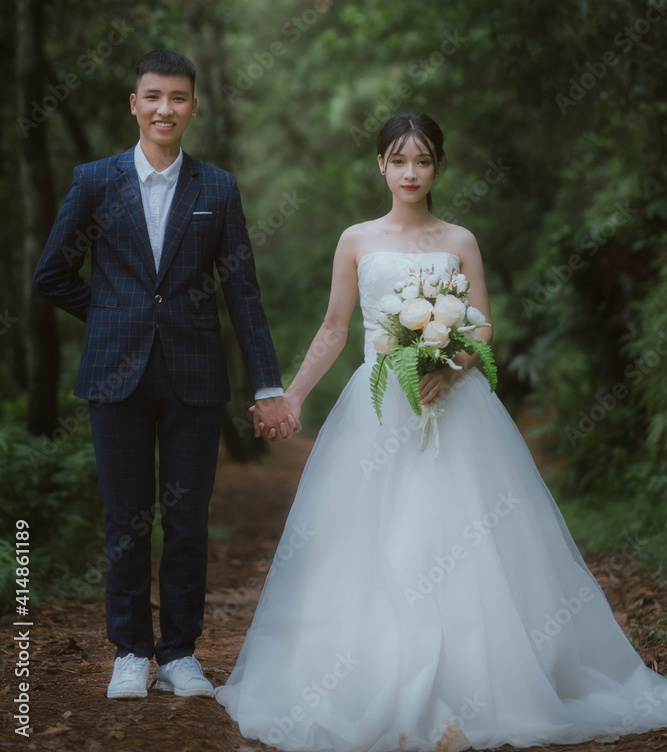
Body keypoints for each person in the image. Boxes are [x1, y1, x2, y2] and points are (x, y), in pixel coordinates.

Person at [215, 111, 667, 751]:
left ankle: (482, 682)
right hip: (377, 410)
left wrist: (450, 368)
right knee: (371, 542)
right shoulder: (355, 240)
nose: (409, 172)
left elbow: (481, 327)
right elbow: (335, 329)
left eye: (422, 161)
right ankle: (372, 678)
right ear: (380, 165)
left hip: (455, 406)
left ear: (438, 168)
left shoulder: (460, 239)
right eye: (398, 160)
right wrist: (290, 395)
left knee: (469, 537)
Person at [33, 48, 298, 700]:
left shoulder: (218, 188)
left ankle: (179, 654)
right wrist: (111, 316)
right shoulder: (96, 181)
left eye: (177, 98)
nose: (164, 109)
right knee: (125, 519)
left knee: (187, 522)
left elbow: (243, 296)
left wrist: (267, 385)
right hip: (114, 377)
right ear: (134, 103)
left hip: (195, 378)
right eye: (153, 96)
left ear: (192, 106)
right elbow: (51, 273)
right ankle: (130, 651)